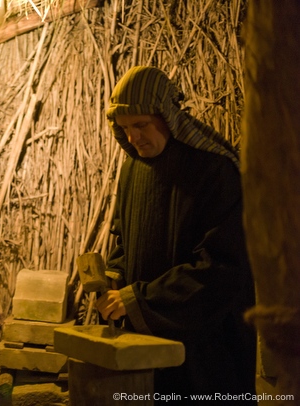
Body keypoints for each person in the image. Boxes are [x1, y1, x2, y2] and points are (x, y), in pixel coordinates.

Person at [95, 66, 256, 400]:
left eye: (141, 125)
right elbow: (124, 239)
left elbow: (222, 270)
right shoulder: (133, 168)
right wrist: (114, 276)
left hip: (207, 354)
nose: (133, 137)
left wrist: (138, 299)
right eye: (124, 128)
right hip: (148, 346)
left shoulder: (214, 171)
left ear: (167, 116)